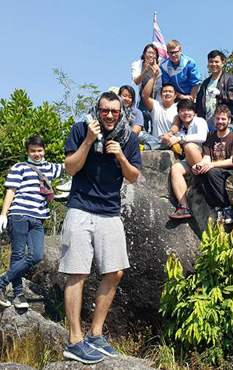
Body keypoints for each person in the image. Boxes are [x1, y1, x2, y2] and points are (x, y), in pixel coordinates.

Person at [59, 92, 141, 364]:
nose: (108, 115)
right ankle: (74, 340)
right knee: (77, 272)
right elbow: (70, 168)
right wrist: (89, 141)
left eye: (114, 112)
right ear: (97, 110)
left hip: (109, 211)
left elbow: (133, 177)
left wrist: (120, 157)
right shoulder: (82, 128)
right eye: (104, 110)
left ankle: (95, 333)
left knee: (115, 272)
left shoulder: (128, 137)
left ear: (121, 113)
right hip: (80, 207)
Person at [0, 136, 63, 309]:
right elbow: (11, 191)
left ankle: (2, 281)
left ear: (44, 150)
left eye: (39, 150)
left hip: (39, 217)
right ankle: (18, 295)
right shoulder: (19, 167)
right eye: (33, 151)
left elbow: (69, 166)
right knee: (18, 254)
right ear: (28, 152)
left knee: (36, 255)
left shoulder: (50, 167)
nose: (36, 154)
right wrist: (3, 214)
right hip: (19, 214)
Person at [192, 105, 233, 222]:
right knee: (199, 173)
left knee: (212, 172)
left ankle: (227, 207)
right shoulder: (210, 137)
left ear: (229, 120)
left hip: (230, 172)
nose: (220, 121)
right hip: (214, 171)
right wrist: (199, 165)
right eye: (217, 119)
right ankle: (216, 207)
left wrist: (212, 165)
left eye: (223, 119)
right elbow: (206, 157)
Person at [167, 99, 208, 219]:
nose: (186, 113)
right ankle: (184, 207)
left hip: (201, 158)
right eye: (182, 110)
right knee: (176, 168)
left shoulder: (199, 121)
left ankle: (200, 180)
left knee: (189, 146)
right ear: (178, 113)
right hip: (190, 162)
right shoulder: (182, 128)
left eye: (189, 110)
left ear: (194, 112)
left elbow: (202, 136)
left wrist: (181, 139)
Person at [195, 50, 233, 130]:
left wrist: (220, 94)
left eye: (216, 62)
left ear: (223, 63)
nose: (214, 64)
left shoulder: (230, 79)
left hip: (224, 124)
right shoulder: (205, 83)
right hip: (206, 125)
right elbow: (199, 103)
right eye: (211, 62)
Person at [140, 62, 178, 150]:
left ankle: (146, 148)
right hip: (156, 140)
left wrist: (169, 134)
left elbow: (177, 123)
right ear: (161, 95)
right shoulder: (156, 105)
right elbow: (144, 96)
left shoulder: (178, 107)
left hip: (170, 140)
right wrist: (153, 77)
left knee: (171, 142)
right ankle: (154, 146)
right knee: (139, 133)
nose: (167, 93)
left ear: (175, 96)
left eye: (170, 92)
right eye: (164, 91)